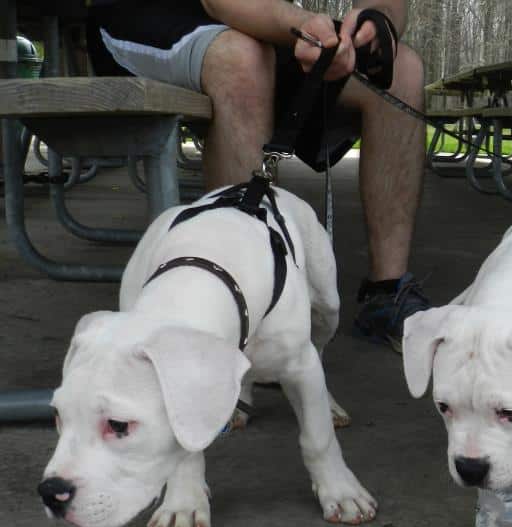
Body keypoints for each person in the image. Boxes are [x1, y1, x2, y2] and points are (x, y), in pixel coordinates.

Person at [86, 0, 430, 353]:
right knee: (243, 59)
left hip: (259, 20)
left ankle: (387, 294)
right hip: (148, 16)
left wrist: (378, 23)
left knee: (401, 69)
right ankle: (235, 302)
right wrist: (304, 24)